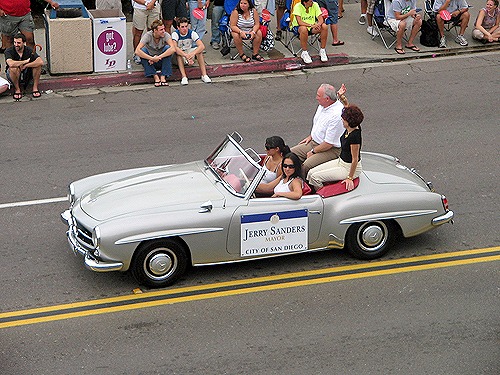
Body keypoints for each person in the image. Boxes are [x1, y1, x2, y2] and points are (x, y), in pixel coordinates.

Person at [291, 83, 349, 179]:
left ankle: (302, 186)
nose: (316, 98)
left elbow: (329, 143)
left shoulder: (336, 115)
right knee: (290, 155)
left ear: (327, 99)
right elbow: (319, 124)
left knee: (306, 166)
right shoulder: (324, 105)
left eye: (318, 96)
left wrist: (313, 151)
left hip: (330, 149)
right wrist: (311, 136)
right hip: (315, 142)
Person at [307, 105, 364, 191]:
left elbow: (355, 159)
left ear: (349, 122)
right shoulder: (352, 127)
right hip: (340, 161)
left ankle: (324, 196)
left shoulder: (354, 137)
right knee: (310, 173)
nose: (342, 120)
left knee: (315, 177)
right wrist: (342, 98)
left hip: (347, 168)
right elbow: (349, 108)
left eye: (343, 120)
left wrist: (350, 177)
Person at [135, 19, 176, 87]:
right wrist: (151, 58)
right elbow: (137, 50)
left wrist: (159, 57)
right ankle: (155, 76)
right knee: (143, 50)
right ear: (155, 31)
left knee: (167, 48)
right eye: (161, 30)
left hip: (161, 60)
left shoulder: (166, 35)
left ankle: (163, 76)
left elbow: (173, 48)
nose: (163, 31)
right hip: (150, 61)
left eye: (164, 29)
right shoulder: (148, 35)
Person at [172, 17, 212, 85]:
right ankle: (184, 77)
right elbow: (175, 48)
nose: (185, 29)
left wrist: (192, 54)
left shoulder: (192, 33)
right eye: (182, 27)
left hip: (189, 52)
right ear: (178, 27)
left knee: (199, 51)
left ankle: (204, 75)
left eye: (186, 26)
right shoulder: (175, 34)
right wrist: (186, 56)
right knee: (178, 53)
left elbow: (201, 46)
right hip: (181, 54)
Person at [4, 33, 43, 100]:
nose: (16, 45)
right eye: (15, 42)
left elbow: (40, 62)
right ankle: (17, 89)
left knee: (37, 66)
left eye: (18, 43)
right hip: (13, 74)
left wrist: (26, 65)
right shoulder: (9, 51)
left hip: (27, 73)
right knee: (13, 68)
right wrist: (24, 62)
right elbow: (11, 63)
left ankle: (35, 88)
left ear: (24, 43)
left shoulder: (29, 50)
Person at [132, 0, 162, 64]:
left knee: (153, 31)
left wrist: (152, 2)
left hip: (154, 7)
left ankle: (152, 53)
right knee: (138, 32)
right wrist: (146, 3)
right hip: (139, 8)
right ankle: (137, 54)